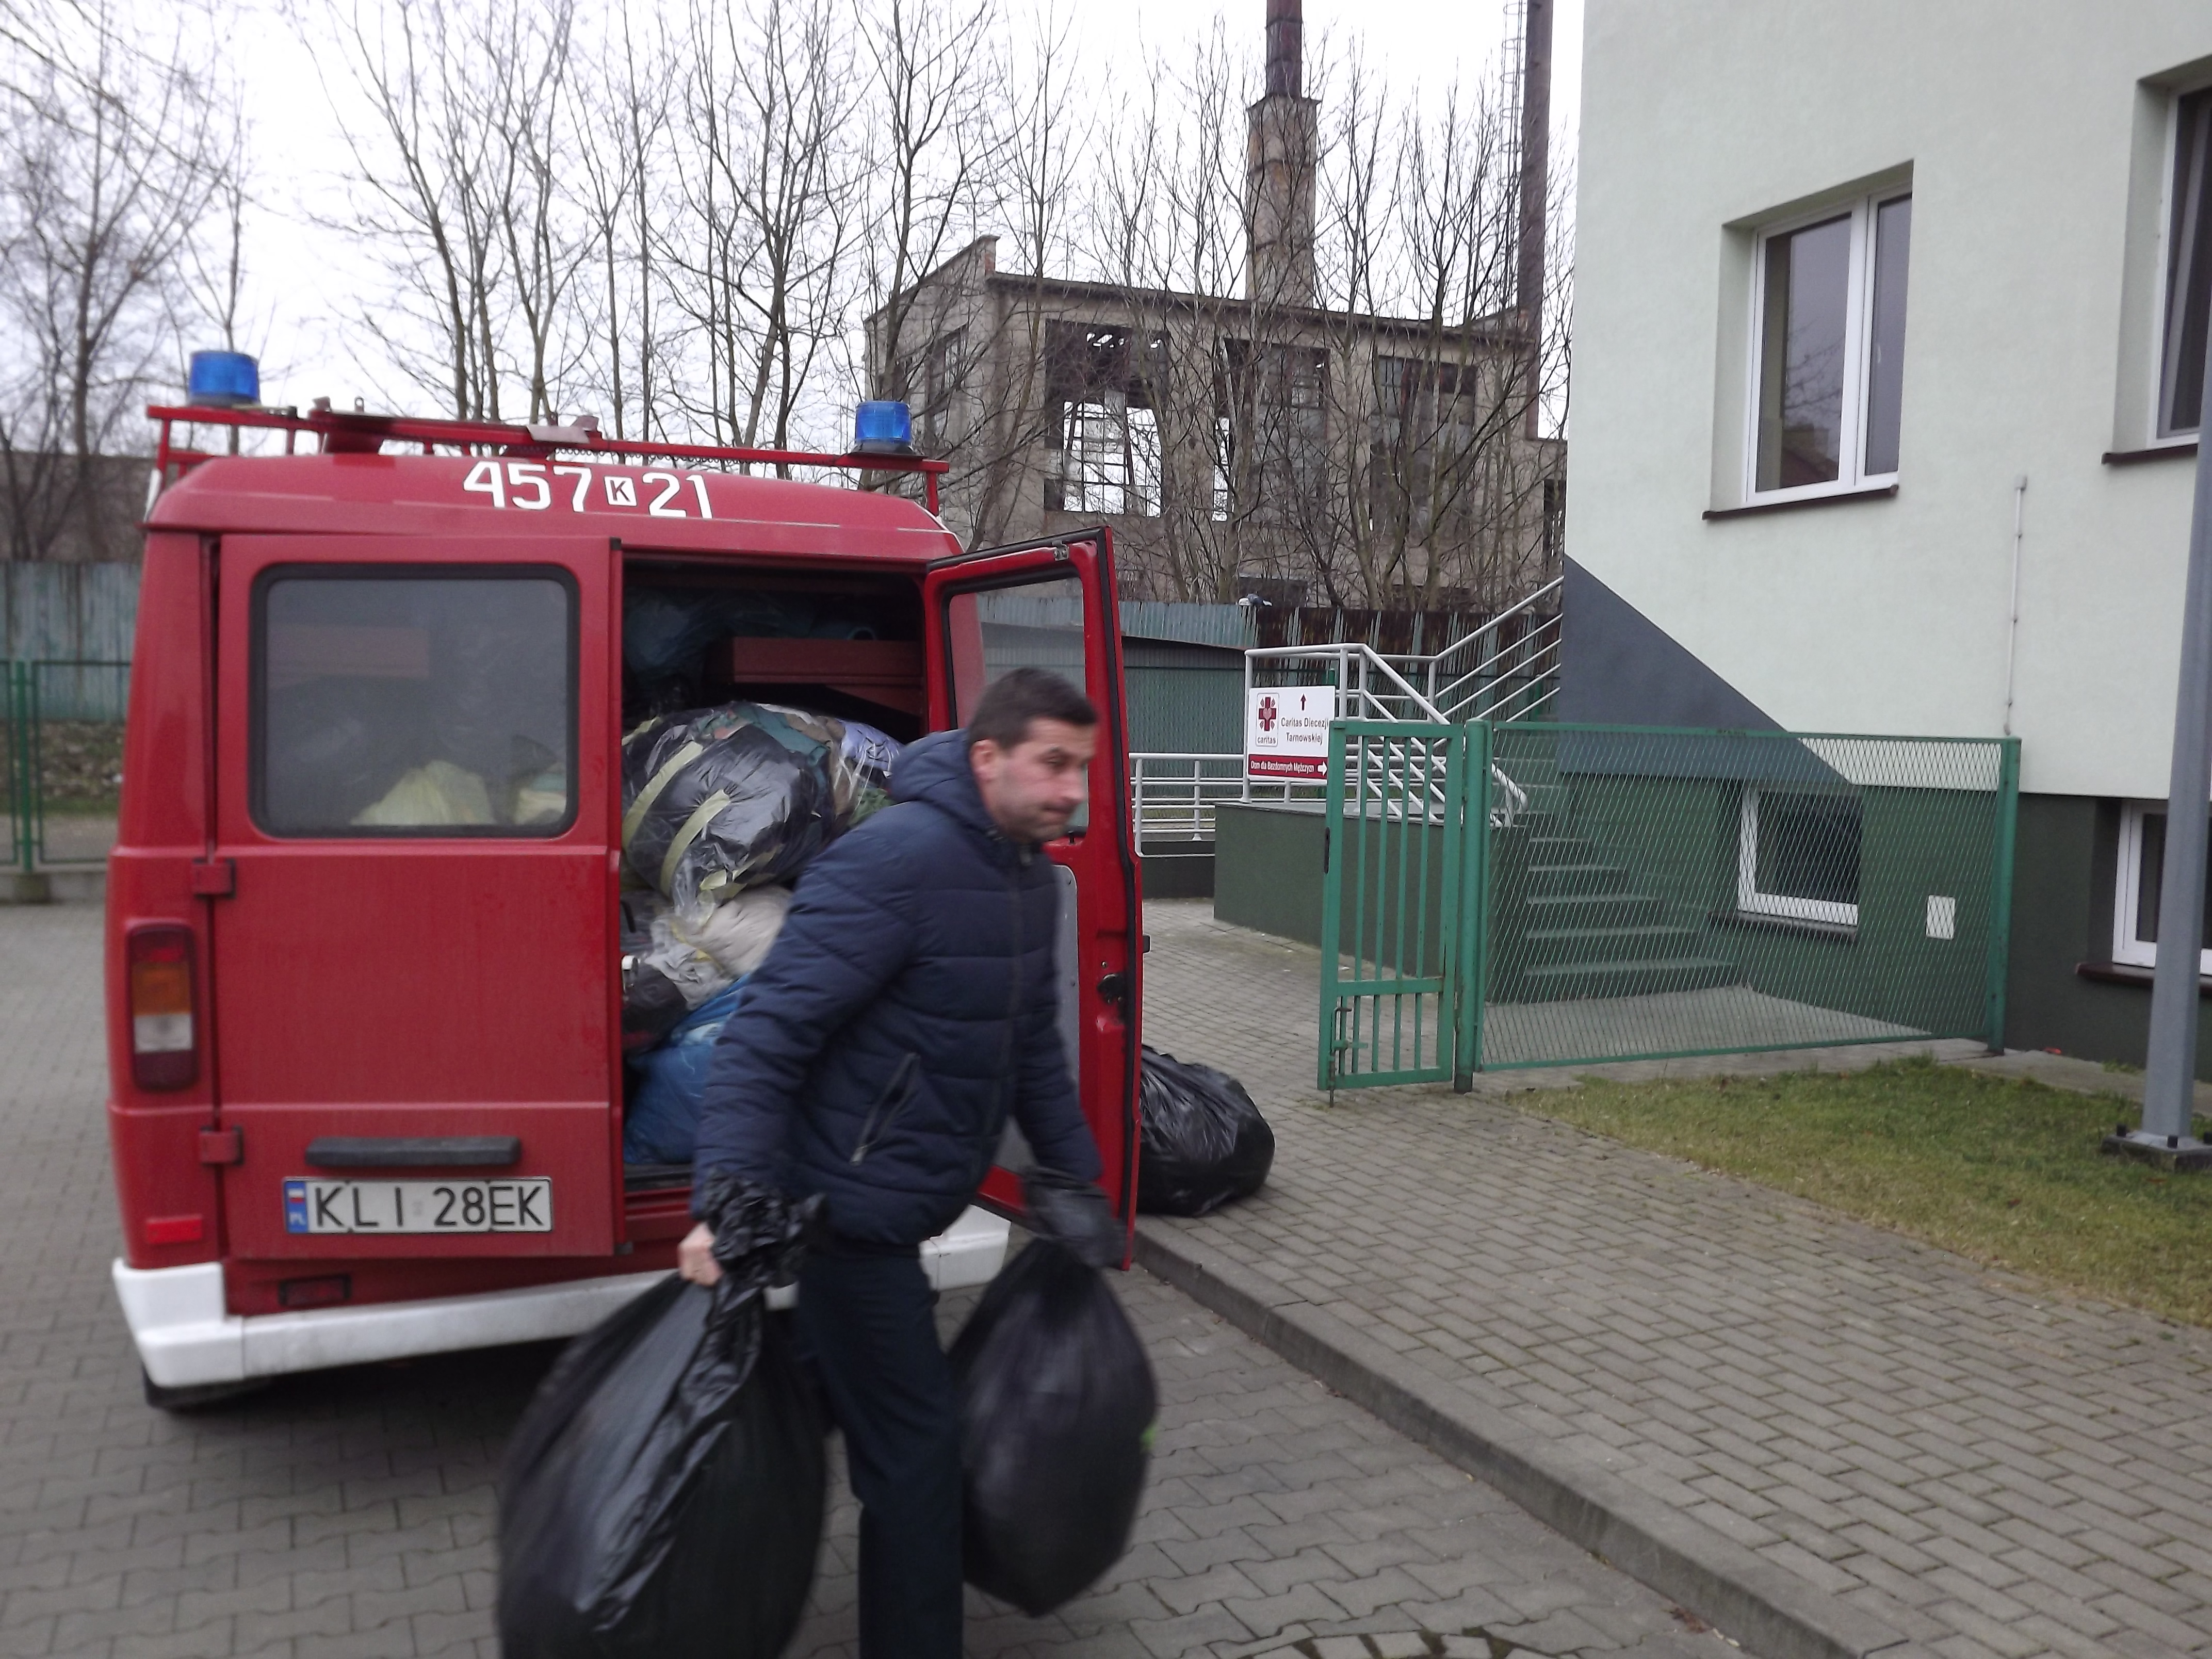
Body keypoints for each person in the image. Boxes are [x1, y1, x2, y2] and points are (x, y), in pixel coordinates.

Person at [677, 665, 1123, 1659]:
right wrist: (728, 1196)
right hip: (848, 1215)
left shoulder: (1023, 878)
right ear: (987, 758)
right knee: (919, 1462)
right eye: (1054, 764)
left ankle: (715, 1530)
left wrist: (1074, 1178)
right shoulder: (893, 861)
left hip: (904, 1201)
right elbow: (768, 1034)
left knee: (818, 1396)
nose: (1072, 790)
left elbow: (1031, 1047)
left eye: (1082, 769)